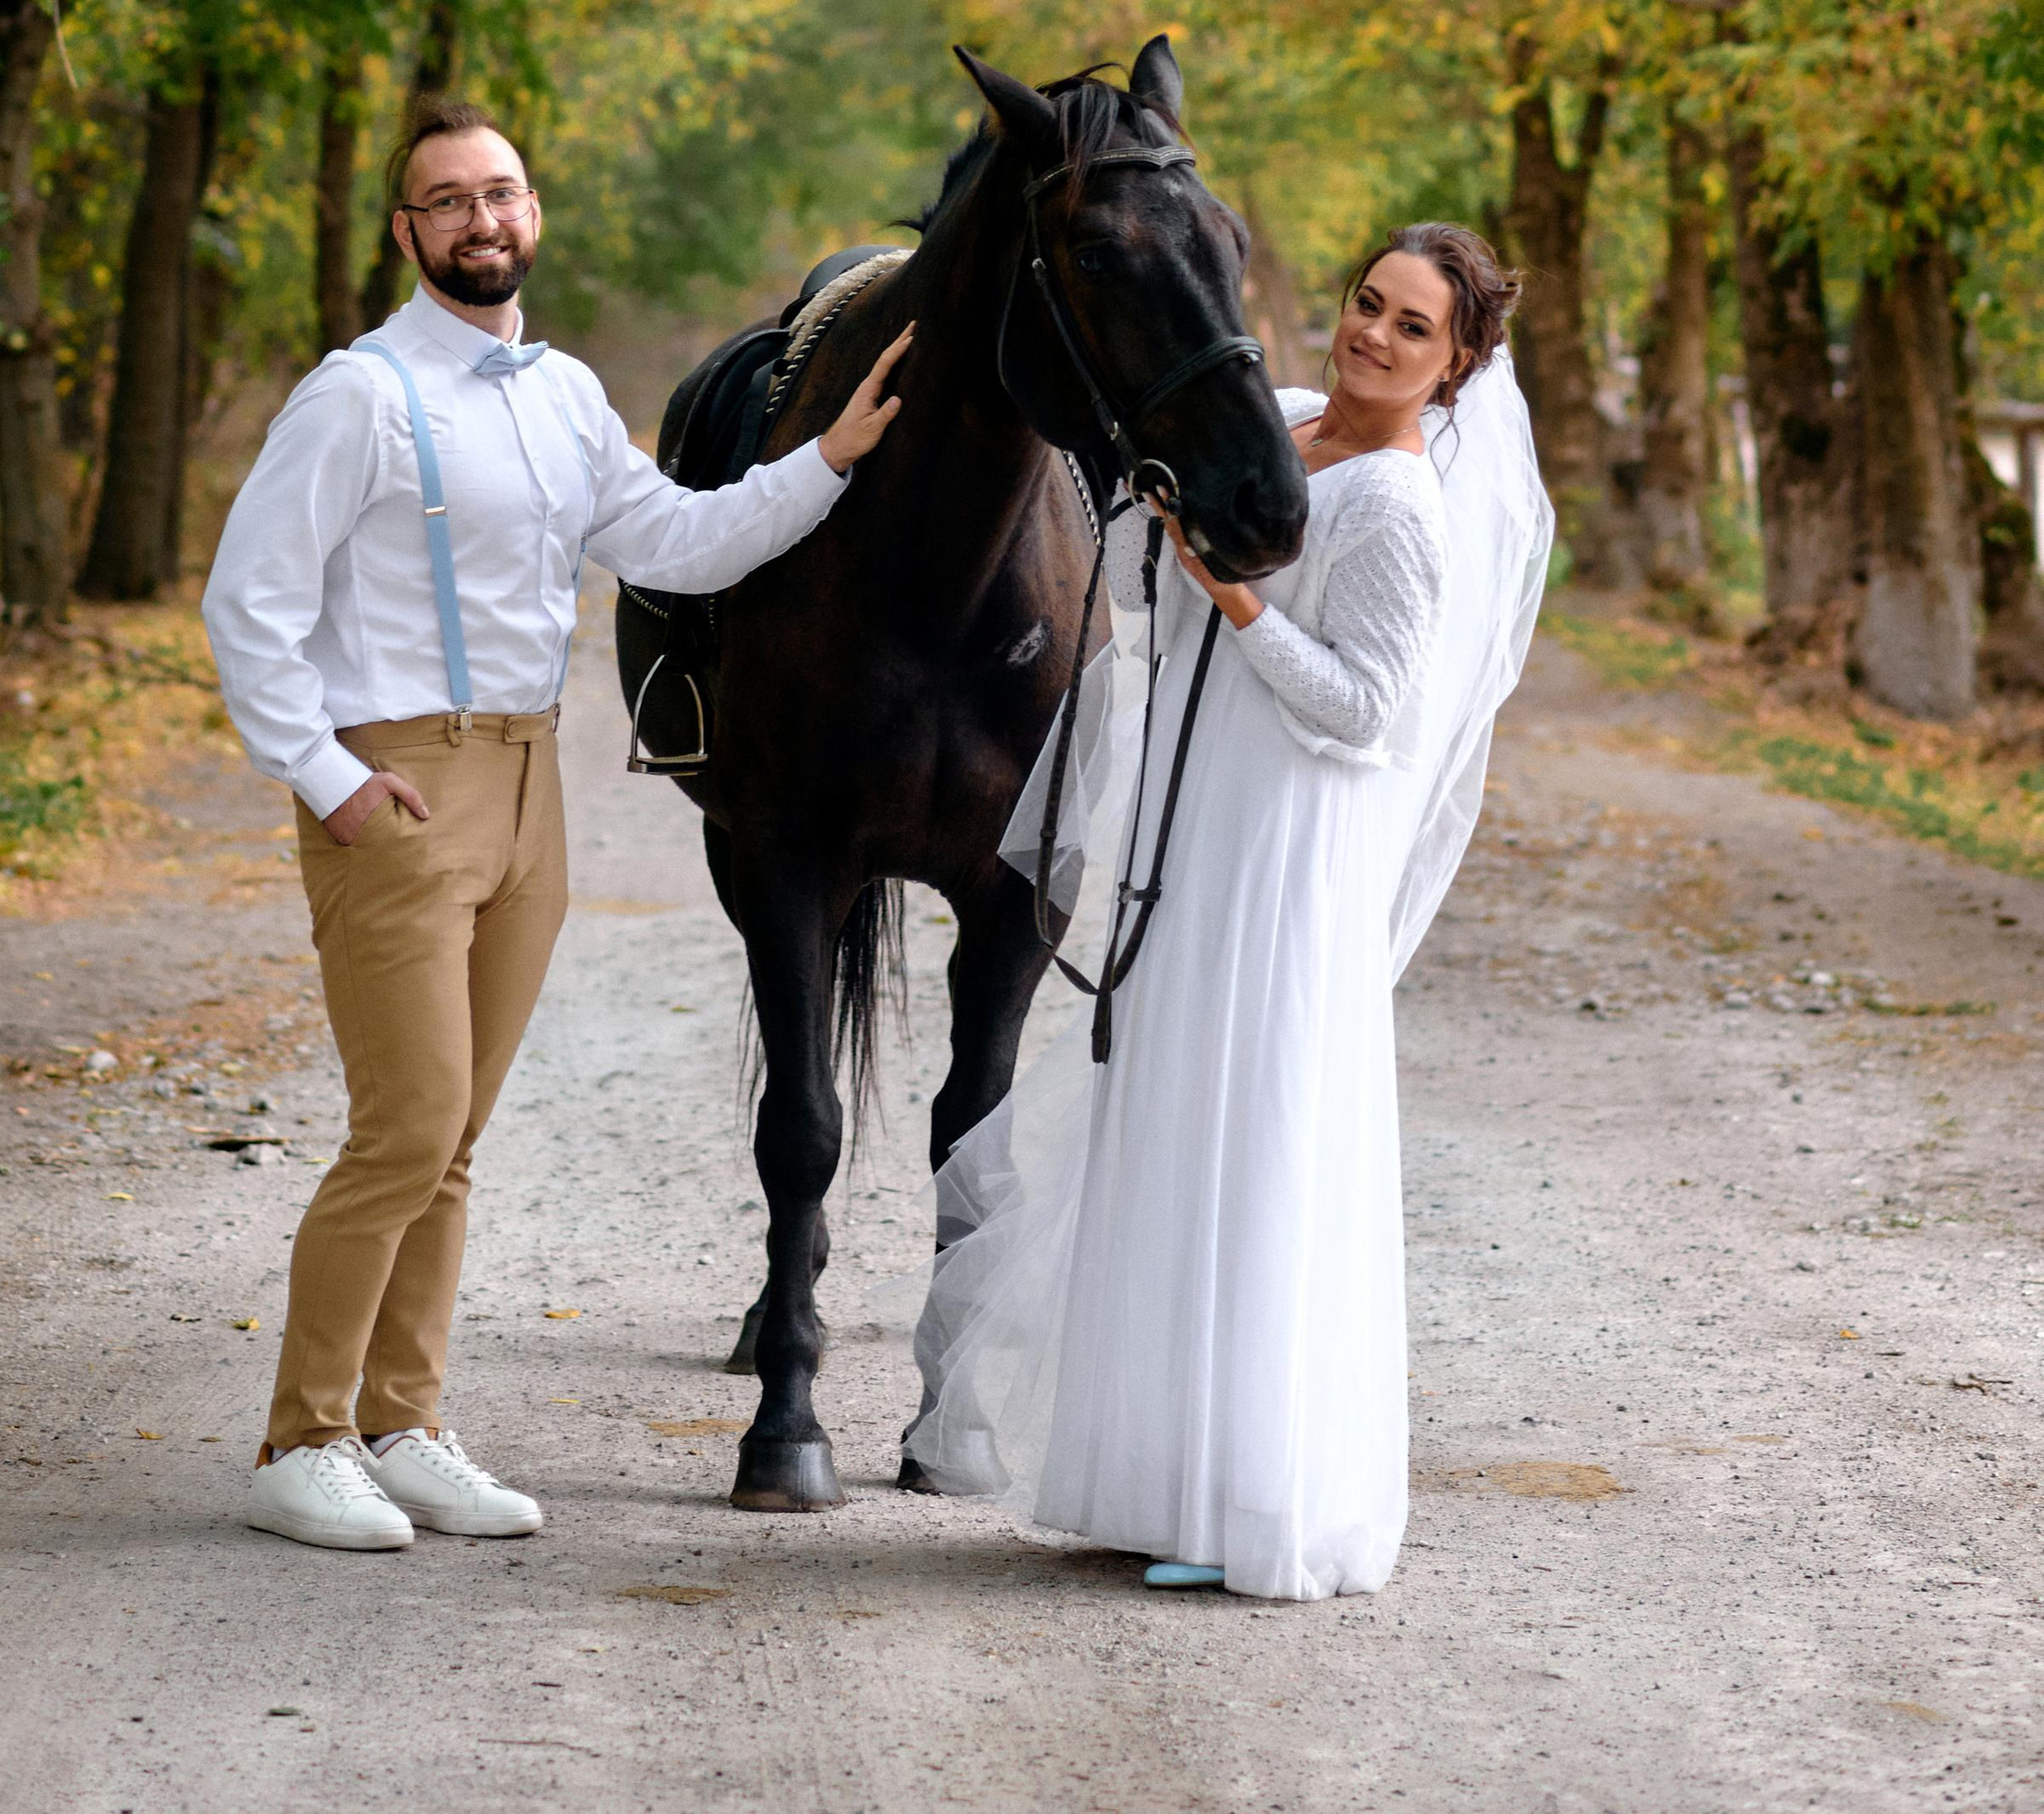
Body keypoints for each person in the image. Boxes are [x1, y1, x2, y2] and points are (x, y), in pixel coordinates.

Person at [203, 97, 910, 1554]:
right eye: (450, 198)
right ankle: (302, 1435)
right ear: (408, 232)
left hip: (530, 787)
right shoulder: (358, 394)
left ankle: (403, 1420)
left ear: (533, 213)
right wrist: (328, 776)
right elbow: (249, 605)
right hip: (396, 781)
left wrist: (829, 455)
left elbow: (680, 538)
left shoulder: (563, 393)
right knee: (402, 1127)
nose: (483, 218)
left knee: (453, 1137)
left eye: (503, 192)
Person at [903, 222, 1551, 1600]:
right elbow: (1142, 572)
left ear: (1459, 364)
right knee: (1167, 1123)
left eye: (1412, 326)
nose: (1371, 333)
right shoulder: (1288, 425)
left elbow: (1368, 711)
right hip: (1192, 826)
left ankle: (1253, 1491)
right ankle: (1146, 1471)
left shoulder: (1399, 506)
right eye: (1368, 302)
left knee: (1253, 1149)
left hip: (1284, 850)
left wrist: (1247, 604)